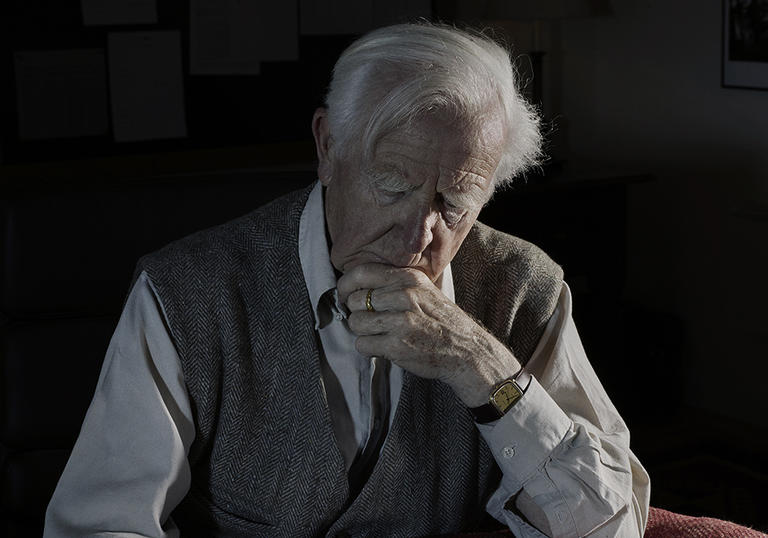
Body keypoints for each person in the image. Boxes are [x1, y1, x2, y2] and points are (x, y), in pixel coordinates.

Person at [44, 22, 650, 537]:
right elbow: (104, 525)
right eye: (393, 185)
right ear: (328, 145)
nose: (418, 237)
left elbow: (613, 524)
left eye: (456, 202)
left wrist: (486, 369)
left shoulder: (523, 286)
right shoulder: (186, 292)